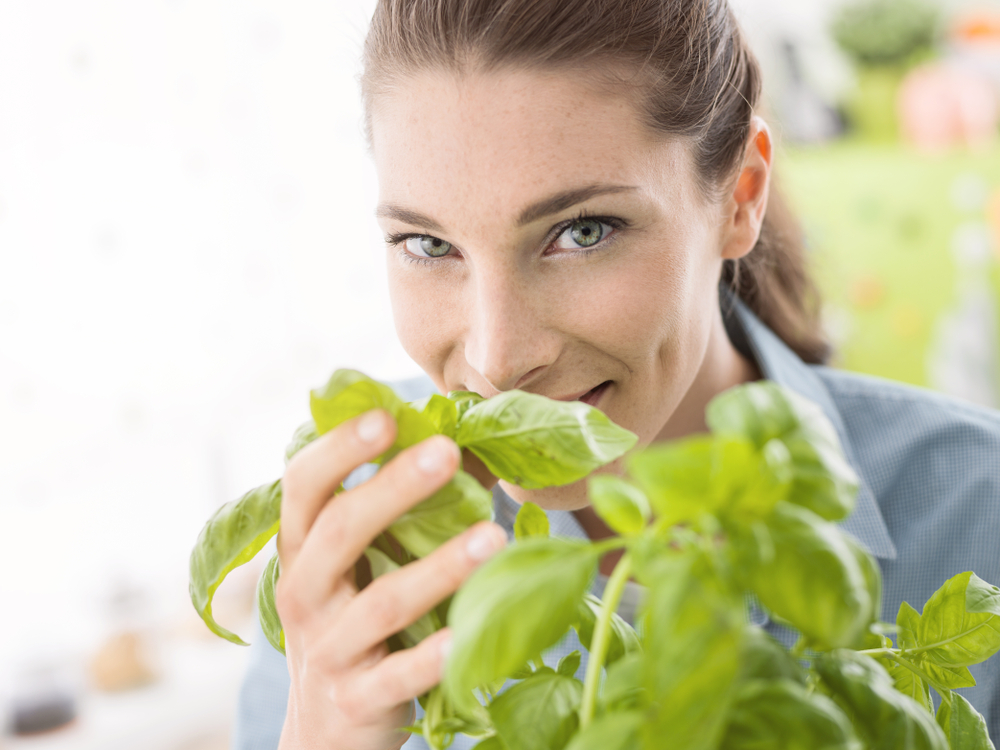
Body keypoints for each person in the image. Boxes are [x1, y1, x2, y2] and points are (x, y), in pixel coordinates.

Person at [232, 1, 1000, 748]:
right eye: (428, 246)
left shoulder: (978, 504)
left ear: (740, 198)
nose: (497, 358)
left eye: (582, 232)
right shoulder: (352, 527)